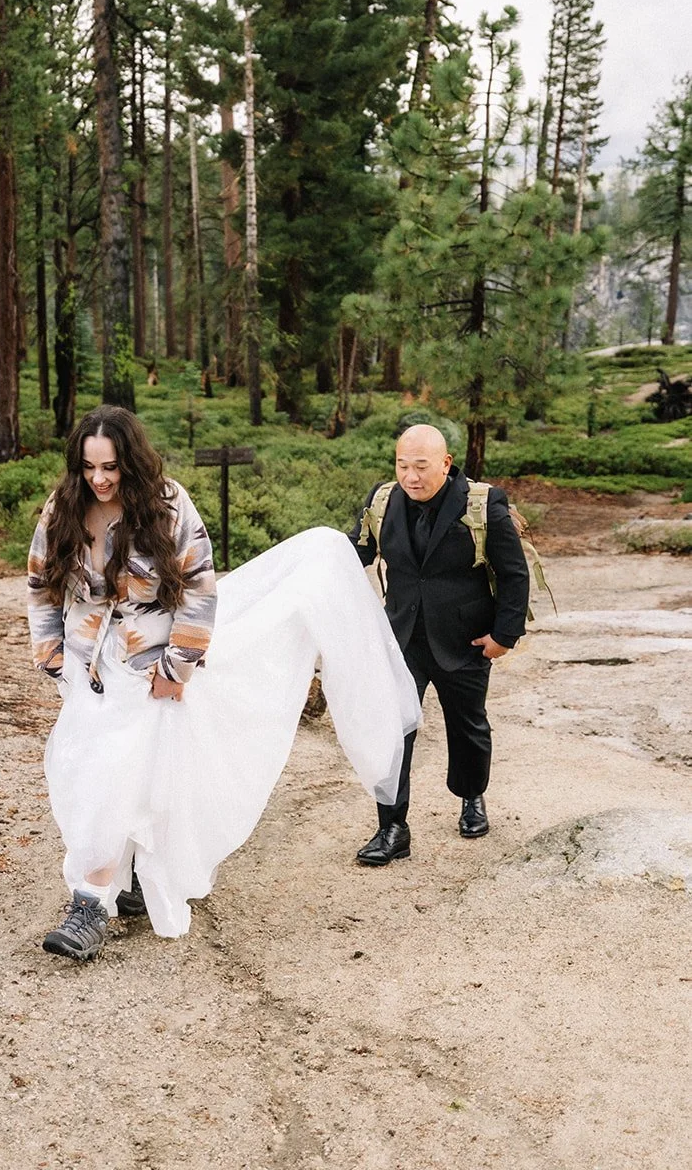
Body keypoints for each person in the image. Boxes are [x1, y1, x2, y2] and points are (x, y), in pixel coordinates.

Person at [27, 405, 421, 960]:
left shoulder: (168, 505)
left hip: (149, 670)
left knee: (116, 775)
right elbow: (41, 584)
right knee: (87, 771)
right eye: (89, 467)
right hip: (86, 669)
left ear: (131, 462)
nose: (99, 479)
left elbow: (198, 589)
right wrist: (51, 655)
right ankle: (131, 874)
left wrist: (177, 666)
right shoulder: (63, 507)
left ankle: (88, 904)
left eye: (110, 467)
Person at [351, 423, 530, 867]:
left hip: (465, 639)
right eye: (402, 465)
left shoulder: (483, 504)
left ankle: (471, 796)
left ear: (445, 463)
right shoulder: (383, 500)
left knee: (468, 726)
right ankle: (392, 828)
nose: (410, 476)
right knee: (393, 731)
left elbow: (514, 574)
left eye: (421, 466)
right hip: (402, 639)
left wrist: (503, 637)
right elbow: (357, 556)